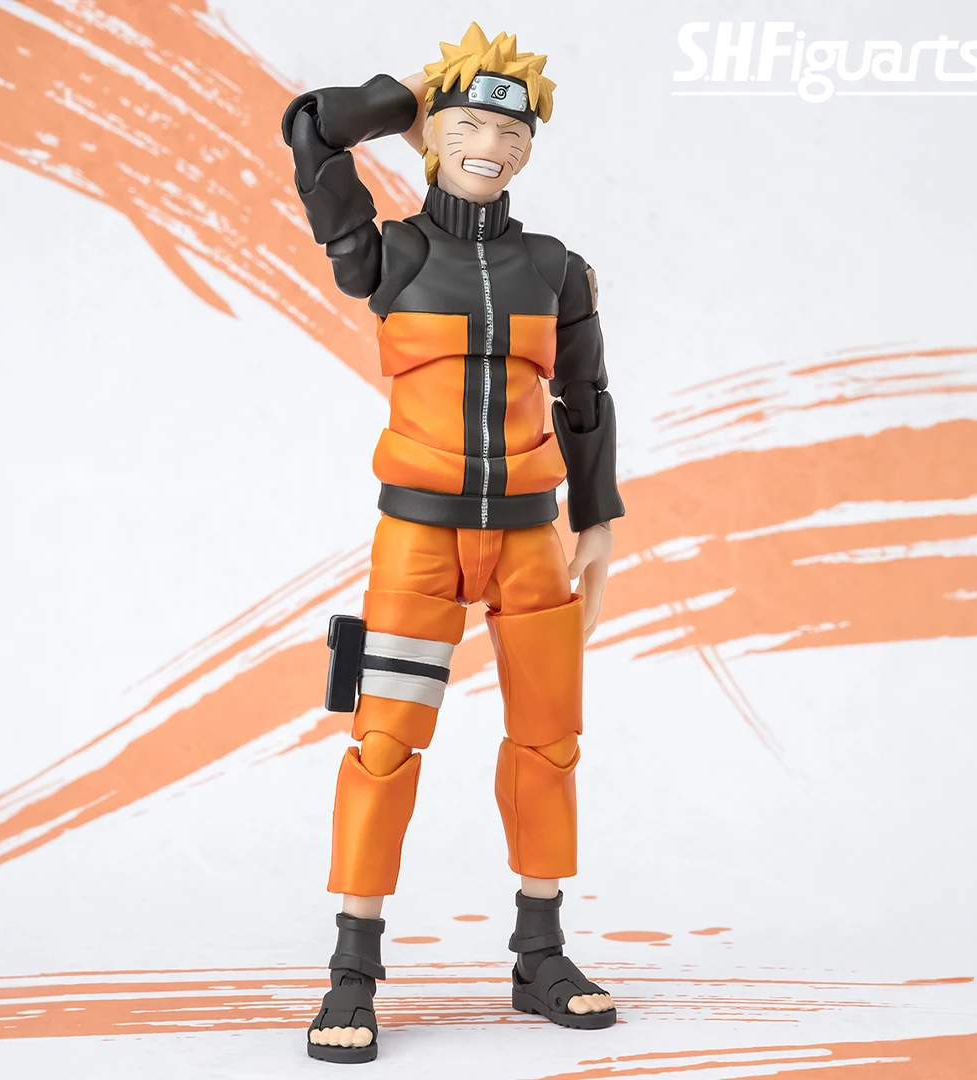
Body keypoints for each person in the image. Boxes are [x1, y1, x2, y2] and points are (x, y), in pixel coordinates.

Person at [281, 22, 625, 1063]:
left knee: (550, 741)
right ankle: (353, 969)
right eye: (469, 124)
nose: (493, 146)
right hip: (418, 541)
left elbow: (585, 398)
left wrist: (598, 519)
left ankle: (540, 952)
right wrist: (412, 97)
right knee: (384, 741)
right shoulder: (387, 255)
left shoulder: (556, 270)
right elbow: (312, 130)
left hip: (530, 540)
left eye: (513, 132)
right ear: (432, 134)